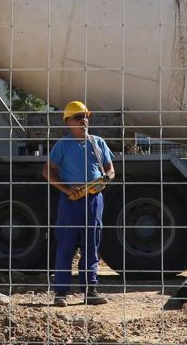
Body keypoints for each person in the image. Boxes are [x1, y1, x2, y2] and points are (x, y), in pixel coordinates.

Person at [43, 101, 115, 307]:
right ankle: (60, 293)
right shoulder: (63, 145)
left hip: (94, 199)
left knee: (91, 245)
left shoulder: (98, 143)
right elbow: (47, 171)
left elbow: (110, 168)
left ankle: (90, 290)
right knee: (66, 245)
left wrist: (107, 178)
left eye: (85, 116)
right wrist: (66, 190)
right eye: (78, 117)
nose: (84, 120)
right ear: (68, 122)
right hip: (71, 201)